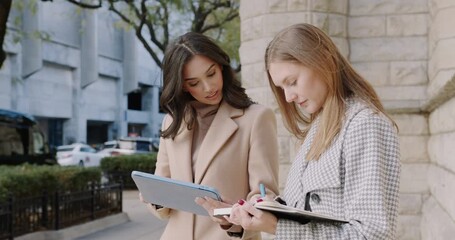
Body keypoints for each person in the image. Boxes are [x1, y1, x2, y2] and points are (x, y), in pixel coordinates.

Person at [226, 23, 401, 239]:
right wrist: (271, 208)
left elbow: (372, 234)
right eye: (282, 88)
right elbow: (312, 213)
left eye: (292, 82)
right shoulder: (319, 127)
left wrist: (278, 227)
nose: (288, 97)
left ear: (322, 61)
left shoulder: (364, 124)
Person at [140, 32, 279, 240]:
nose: (208, 87)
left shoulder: (256, 118)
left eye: (211, 73)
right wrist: (154, 196)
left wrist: (235, 219)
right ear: (182, 85)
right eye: (194, 83)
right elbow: (162, 193)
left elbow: (264, 196)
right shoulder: (172, 122)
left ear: (221, 66)